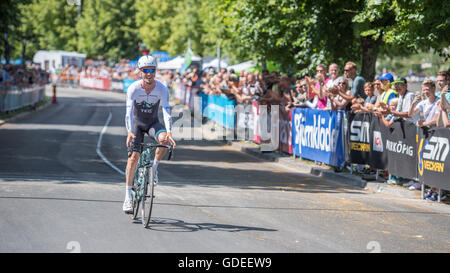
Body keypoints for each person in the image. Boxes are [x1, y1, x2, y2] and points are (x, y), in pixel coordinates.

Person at [123, 55, 176, 214]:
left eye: (152, 70)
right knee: (133, 159)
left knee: (164, 140)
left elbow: (166, 111)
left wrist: (170, 131)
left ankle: (154, 169)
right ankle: (127, 197)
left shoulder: (161, 88)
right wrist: (129, 132)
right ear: (140, 72)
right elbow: (128, 112)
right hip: (137, 125)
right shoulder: (134, 88)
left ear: (155, 71)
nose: (149, 73)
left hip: (153, 123)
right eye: (145, 70)